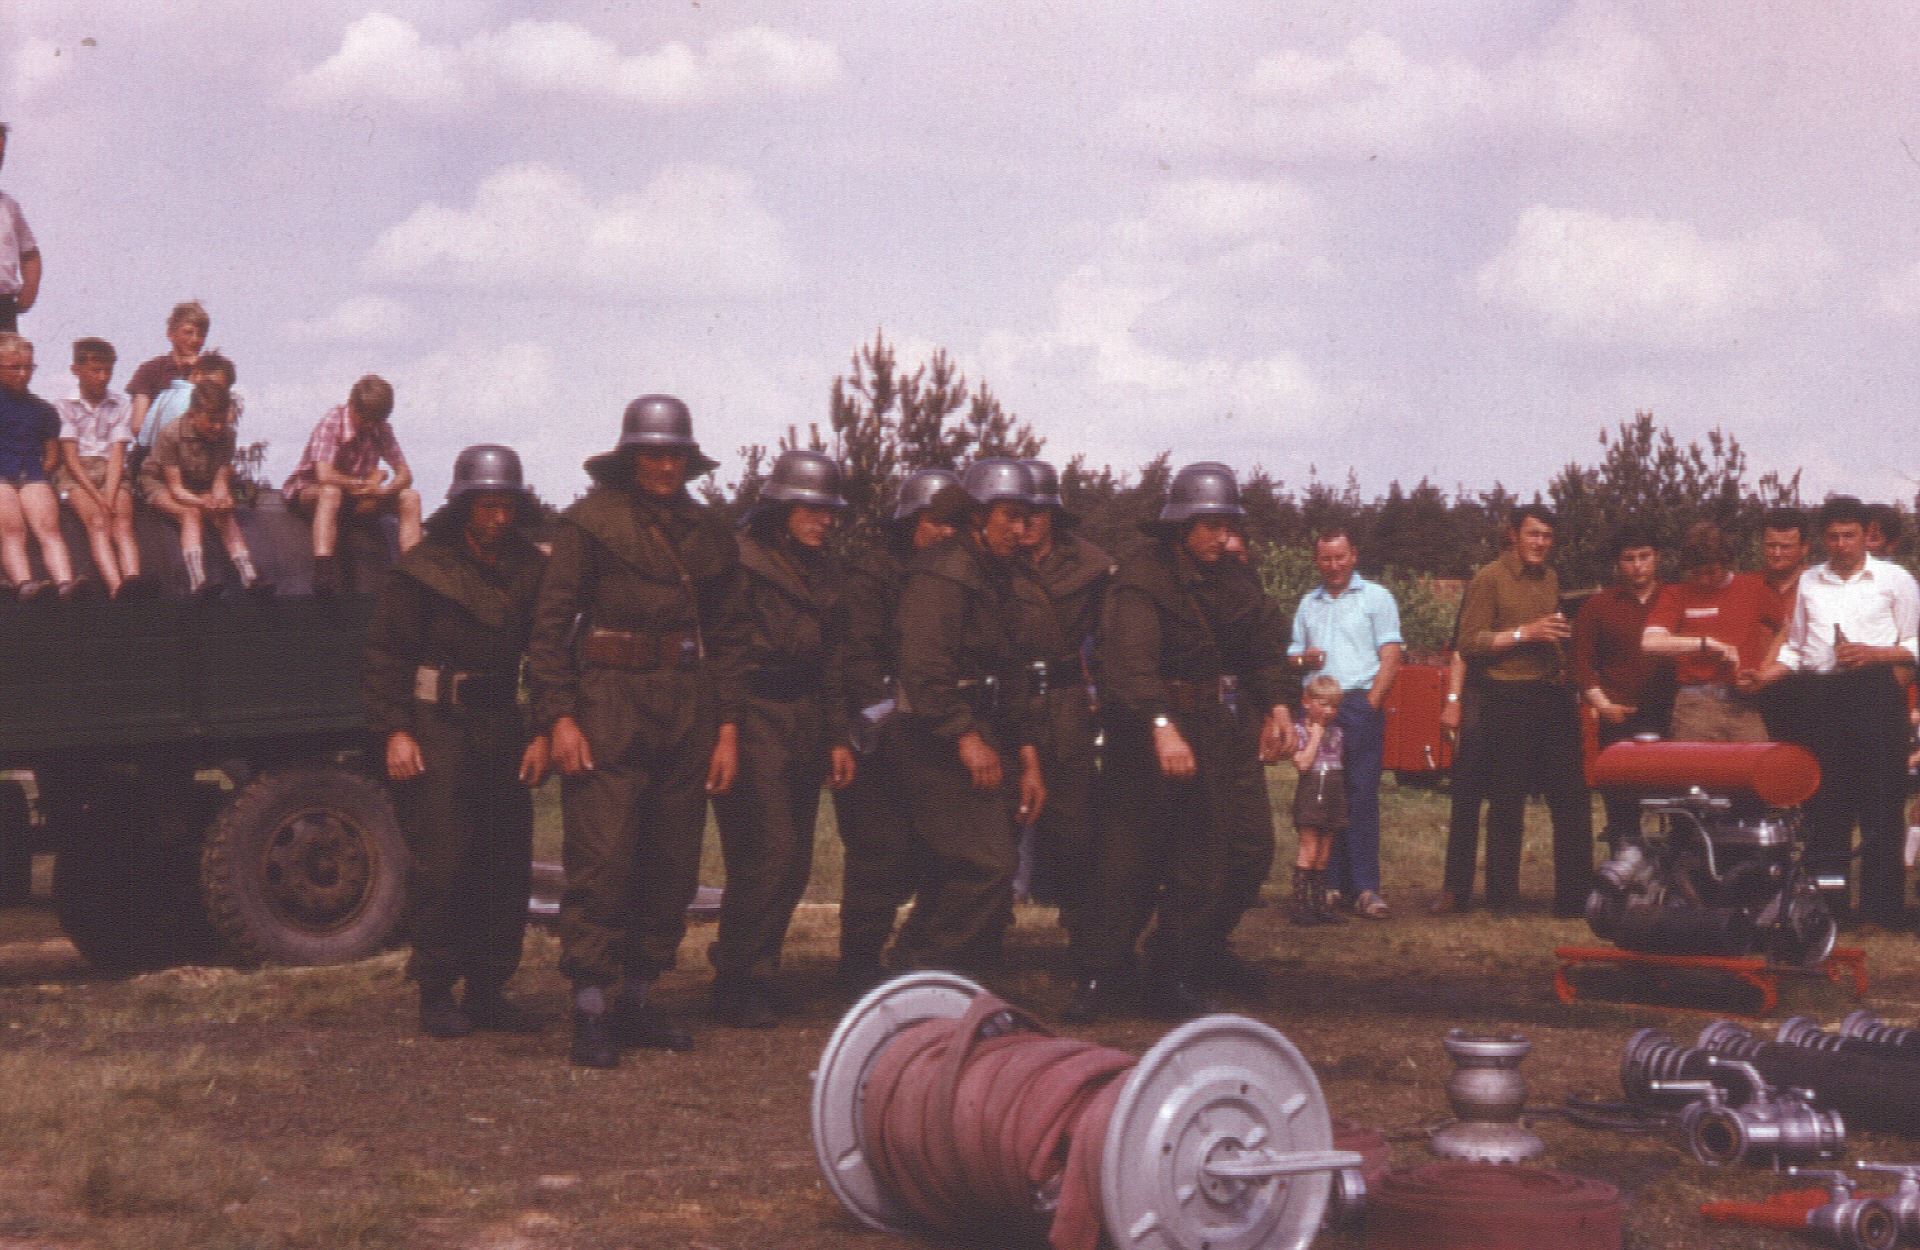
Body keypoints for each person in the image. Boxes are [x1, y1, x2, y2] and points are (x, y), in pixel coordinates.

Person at [527, 394, 746, 1068]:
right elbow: (549, 628)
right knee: (603, 857)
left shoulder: (709, 534)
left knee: (671, 862)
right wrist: (559, 717)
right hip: (609, 704)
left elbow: (731, 638)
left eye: (674, 454)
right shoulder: (590, 525)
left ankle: (639, 998)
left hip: (686, 705)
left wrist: (728, 728)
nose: (664, 466)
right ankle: (592, 1005)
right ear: (630, 458)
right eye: (652, 454)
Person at [1068, 463, 1292, 1022]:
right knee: (1128, 859)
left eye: (1228, 525)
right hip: (1145, 732)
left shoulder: (1233, 579)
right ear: (1182, 525)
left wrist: (1277, 705)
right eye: (1211, 525)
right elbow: (1129, 662)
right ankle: (1100, 974)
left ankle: (1172, 971)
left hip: (1214, 728)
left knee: (1210, 859)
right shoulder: (1142, 579)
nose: (1223, 537)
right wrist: (1162, 724)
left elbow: (1260, 647)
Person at [364, 445, 550, 1039]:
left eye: (507, 506)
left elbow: (547, 654)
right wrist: (396, 730)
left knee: (504, 861)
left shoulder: (530, 569)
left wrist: (542, 730)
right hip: (436, 725)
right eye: (487, 505)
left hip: (501, 724)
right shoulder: (424, 569)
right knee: (444, 861)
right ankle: (437, 989)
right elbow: (387, 654)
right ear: (465, 505)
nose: (499, 518)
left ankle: (489, 989)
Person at [708, 450, 856, 1027]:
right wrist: (726, 729)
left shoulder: (826, 572)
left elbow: (834, 661)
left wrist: (838, 735)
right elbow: (724, 653)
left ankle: (759, 970)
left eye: (829, 511)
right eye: (811, 510)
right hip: (753, 715)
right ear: (781, 509)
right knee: (764, 852)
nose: (824, 521)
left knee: (793, 861)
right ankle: (734, 979)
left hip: (807, 718)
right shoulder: (740, 562)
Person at [891, 458, 1047, 976]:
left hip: (989, 729)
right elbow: (923, 668)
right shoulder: (942, 573)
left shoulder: (1003, 576)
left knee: (968, 869)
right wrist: (964, 736)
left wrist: (1028, 759)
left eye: (1026, 518)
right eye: (1010, 517)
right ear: (978, 516)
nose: (1021, 531)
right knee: (985, 865)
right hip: (936, 738)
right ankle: (927, 973)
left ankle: (935, 975)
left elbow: (1015, 672)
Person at [1750, 496, 1919, 927]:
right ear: (1822, 540)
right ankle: (1831, 907)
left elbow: (1914, 644)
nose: (1842, 544)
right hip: (1820, 696)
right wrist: (1766, 675)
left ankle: (1883, 909)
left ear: (1866, 535)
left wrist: (1874, 654)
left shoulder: (1895, 579)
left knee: (1881, 803)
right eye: (1833, 537)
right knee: (1826, 804)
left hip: (1874, 694)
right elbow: (1796, 646)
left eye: (1850, 535)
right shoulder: (1810, 581)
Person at [828, 468, 961, 995]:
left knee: (941, 851)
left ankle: (916, 960)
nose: (944, 532)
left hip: (936, 730)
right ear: (909, 521)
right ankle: (858, 965)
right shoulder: (872, 575)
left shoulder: (958, 576)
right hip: (880, 731)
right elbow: (855, 656)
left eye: (952, 524)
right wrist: (877, 719)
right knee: (877, 853)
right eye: (933, 521)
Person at [1439, 503, 1593, 916]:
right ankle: (1502, 899)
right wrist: (1526, 634)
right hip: (1506, 697)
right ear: (1513, 535)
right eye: (1533, 534)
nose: (1540, 543)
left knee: (1571, 798)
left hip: (1552, 694)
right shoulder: (1489, 578)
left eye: (1547, 536)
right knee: (1507, 801)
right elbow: (1470, 642)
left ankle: (1575, 900)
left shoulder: (1551, 578)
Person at [1287, 526, 1403, 919]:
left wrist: (1371, 704)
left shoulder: (1376, 597)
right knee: (1323, 797)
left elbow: (1391, 655)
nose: (1333, 565)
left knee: (1361, 794)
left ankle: (1366, 888)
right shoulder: (1308, 603)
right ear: (1316, 560)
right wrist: (1304, 660)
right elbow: (1292, 654)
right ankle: (1329, 885)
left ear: (1353, 555)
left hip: (1357, 704)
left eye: (1340, 557)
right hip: (1317, 708)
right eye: (1326, 558)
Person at [1015, 458, 1112, 925]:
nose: (1026, 523)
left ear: (1053, 514)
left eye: (1036, 513)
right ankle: (983, 937)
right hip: (1006, 700)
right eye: (1017, 513)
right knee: (998, 819)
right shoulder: (990, 560)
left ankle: (1084, 936)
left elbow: (1110, 637)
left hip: (1066, 704)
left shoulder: (1092, 566)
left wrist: (1100, 694)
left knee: (1075, 822)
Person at [1641, 521, 1782, 743]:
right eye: (1696, 573)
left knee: (1757, 763)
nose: (1704, 579)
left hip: (1744, 705)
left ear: (1727, 562)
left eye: (1711, 572)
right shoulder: (1676, 594)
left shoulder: (1753, 588)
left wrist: (1766, 670)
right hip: (1695, 707)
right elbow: (1649, 643)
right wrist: (1708, 644)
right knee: (1696, 766)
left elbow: (1787, 628)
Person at [1571, 523, 1668, 835]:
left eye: (1644, 556)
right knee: (1621, 806)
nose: (1638, 565)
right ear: (1617, 562)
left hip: (1670, 716)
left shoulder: (1674, 598)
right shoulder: (1597, 606)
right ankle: (1624, 859)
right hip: (1618, 718)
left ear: (1657, 557)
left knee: (1678, 801)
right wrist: (1603, 705)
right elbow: (1581, 664)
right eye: (1629, 558)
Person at [283, 375, 422, 593]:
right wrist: (361, 484)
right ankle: (323, 570)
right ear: (353, 406)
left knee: (410, 497)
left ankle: (413, 574)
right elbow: (324, 475)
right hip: (312, 493)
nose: (371, 426)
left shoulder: (381, 428)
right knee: (331, 492)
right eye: (366, 420)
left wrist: (384, 491)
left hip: (356, 498)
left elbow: (405, 474)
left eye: (377, 421)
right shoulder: (332, 421)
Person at [140, 379, 268, 597]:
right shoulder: (171, 434)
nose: (217, 427)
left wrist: (221, 500)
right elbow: (175, 488)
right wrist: (202, 502)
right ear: (192, 415)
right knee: (190, 514)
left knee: (225, 515)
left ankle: (250, 577)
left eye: (221, 421)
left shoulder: (227, 436)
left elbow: (220, 480)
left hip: (200, 484)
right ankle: (198, 581)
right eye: (211, 421)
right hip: (161, 484)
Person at [55, 338, 143, 598]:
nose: (103, 377)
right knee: (96, 521)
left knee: (122, 523)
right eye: (96, 371)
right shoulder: (64, 404)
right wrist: (97, 498)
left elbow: (117, 454)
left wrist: (110, 496)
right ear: (76, 370)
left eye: (108, 371)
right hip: (77, 472)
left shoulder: (121, 404)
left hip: (110, 470)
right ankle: (116, 588)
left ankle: (133, 583)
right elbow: (70, 458)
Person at [0, 333, 78, 599]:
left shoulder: (43, 409)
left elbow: (52, 455)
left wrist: (36, 480)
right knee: (12, 529)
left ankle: (66, 584)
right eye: (14, 368)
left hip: (31, 473)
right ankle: (25, 584)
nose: (23, 374)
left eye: (28, 367)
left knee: (49, 528)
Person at [1287, 674, 1349, 926]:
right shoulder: (1298, 732)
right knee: (1309, 850)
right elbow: (1302, 764)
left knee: (1324, 854)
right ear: (1307, 702)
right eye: (1323, 704)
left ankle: (1320, 904)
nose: (1329, 711)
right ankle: (1300, 904)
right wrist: (1315, 736)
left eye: (1334, 706)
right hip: (1311, 795)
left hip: (1333, 794)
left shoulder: (1338, 733)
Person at [125, 301, 208, 445]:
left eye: (200, 335)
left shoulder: (210, 372)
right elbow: (138, 426)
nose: (195, 339)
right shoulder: (150, 370)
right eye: (188, 332)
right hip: (154, 450)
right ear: (171, 334)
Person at [137, 350, 240, 458]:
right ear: (197, 374)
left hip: (149, 455)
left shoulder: (166, 394)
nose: (217, 394)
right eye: (213, 386)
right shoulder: (194, 400)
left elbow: (143, 436)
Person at [0, 125, 39, 334]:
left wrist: (30, 289)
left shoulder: (9, 207)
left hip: (3, 307)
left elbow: (30, 254)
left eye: (0, 157)